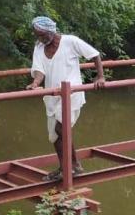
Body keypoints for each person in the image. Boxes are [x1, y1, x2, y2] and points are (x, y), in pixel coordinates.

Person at [25, 16, 105, 180]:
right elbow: (39, 70)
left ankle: (73, 166)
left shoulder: (70, 41)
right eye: (37, 35)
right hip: (52, 94)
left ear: (51, 31)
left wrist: (100, 77)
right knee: (54, 136)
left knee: (60, 129)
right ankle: (66, 167)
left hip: (72, 92)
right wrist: (35, 83)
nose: (40, 38)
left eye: (42, 34)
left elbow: (94, 55)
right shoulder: (39, 47)